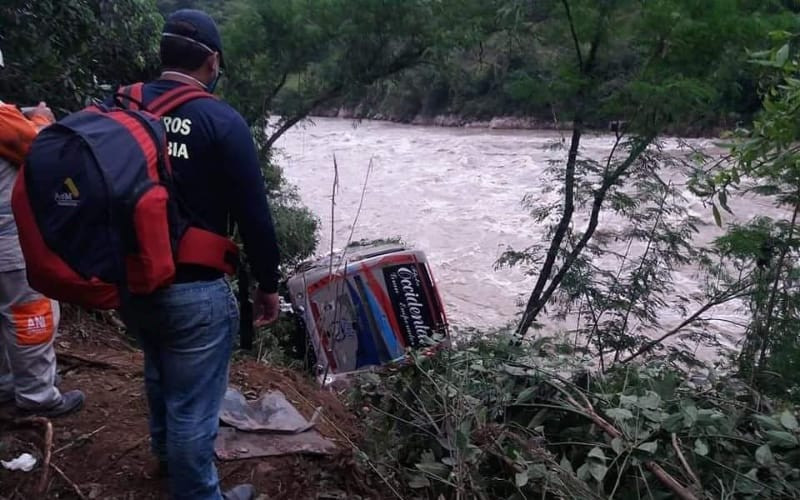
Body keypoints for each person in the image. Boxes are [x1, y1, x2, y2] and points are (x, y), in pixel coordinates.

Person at [112, 10, 281, 500]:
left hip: (129, 279)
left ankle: (166, 459)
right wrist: (267, 287)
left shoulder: (120, 105)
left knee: (158, 366)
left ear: (161, 54)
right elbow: (254, 216)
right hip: (195, 290)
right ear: (213, 61)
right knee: (193, 403)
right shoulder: (221, 121)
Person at [0, 50, 85, 417]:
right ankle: (37, 398)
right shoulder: (2, 118)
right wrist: (41, 119)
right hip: (6, 240)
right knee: (30, 313)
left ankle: (6, 386)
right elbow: (41, 150)